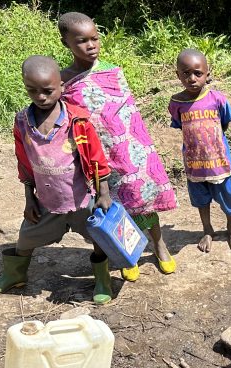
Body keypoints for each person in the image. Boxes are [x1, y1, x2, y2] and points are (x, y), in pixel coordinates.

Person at [0, 56, 114, 304]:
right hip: (47, 199)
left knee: (98, 238)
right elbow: (24, 161)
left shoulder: (78, 121)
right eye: (32, 90)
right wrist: (29, 198)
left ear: (61, 85)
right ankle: (14, 275)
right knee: (26, 237)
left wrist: (103, 193)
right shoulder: (22, 122)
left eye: (48, 90)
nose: (40, 96)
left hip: (81, 197)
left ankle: (102, 279)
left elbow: (96, 157)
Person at [58, 12, 178, 280]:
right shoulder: (62, 81)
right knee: (112, 205)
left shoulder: (111, 71)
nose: (91, 45)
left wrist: (141, 150)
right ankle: (127, 252)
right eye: (82, 41)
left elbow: (130, 114)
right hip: (94, 154)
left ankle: (159, 244)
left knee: (141, 197)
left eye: (95, 39)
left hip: (127, 150)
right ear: (66, 42)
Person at [168, 49, 231, 252]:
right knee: (201, 199)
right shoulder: (176, 103)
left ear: (207, 73)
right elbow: (180, 125)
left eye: (198, 73)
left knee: (229, 196)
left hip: (219, 161)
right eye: (185, 73)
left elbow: (225, 121)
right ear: (178, 75)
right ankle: (207, 230)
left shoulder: (217, 98)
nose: (192, 78)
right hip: (194, 163)